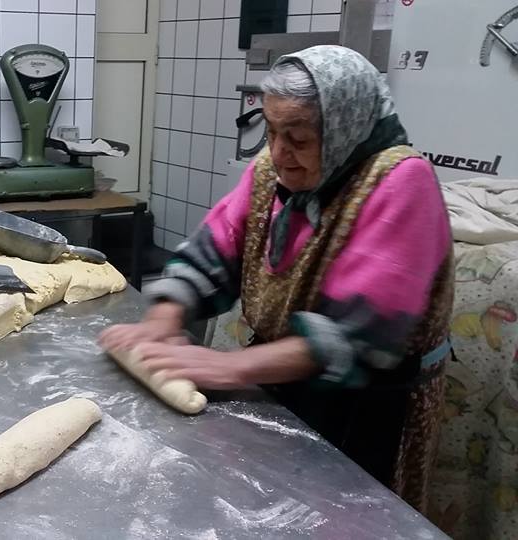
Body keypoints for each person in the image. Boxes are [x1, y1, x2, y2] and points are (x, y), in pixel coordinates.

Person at [100, 45, 453, 511]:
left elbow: (358, 333)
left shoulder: (400, 182)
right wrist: (163, 317)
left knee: (342, 516)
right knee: (263, 500)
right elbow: (217, 246)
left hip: (368, 401)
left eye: (300, 138)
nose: (280, 153)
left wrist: (230, 367)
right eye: (270, 131)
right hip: (282, 373)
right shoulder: (272, 170)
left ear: (343, 128)